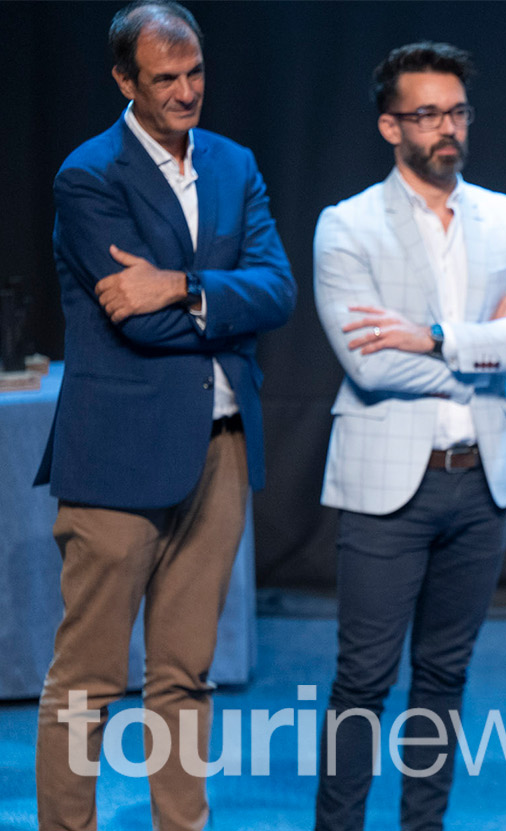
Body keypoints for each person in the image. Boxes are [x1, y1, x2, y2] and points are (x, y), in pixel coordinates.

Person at [32, 3, 296, 829]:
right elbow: (131, 320)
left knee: (187, 672)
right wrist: (218, 298)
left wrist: (179, 284)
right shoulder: (89, 174)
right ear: (124, 81)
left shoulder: (232, 162)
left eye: (195, 74)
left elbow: (279, 289)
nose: (186, 92)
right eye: (165, 79)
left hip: (218, 450)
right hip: (118, 454)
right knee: (88, 679)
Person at [311, 41, 506, 830]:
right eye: (426, 114)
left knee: (446, 672)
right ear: (391, 126)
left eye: (456, 111)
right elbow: (368, 364)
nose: (445, 127)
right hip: (391, 477)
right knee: (363, 677)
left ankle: (424, 825)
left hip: (480, 476)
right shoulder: (347, 225)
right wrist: (489, 347)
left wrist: (434, 337)